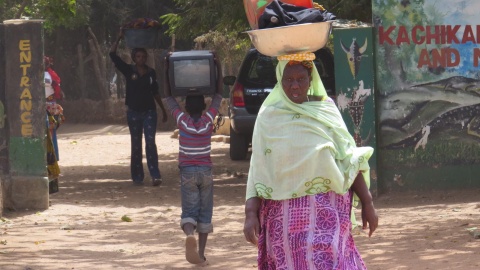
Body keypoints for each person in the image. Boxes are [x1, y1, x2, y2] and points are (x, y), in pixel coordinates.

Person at [243, 53, 379, 269]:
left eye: (301, 79)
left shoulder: (326, 110)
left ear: (311, 80)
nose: (295, 86)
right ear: (280, 80)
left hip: (327, 213)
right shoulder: (269, 116)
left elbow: (347, 158)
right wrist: (250, 213)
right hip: (284, 218)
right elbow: (258, 166)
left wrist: (368, 202)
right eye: (288, 80)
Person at [162, 52, 223, 265]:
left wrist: (167, 68)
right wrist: (218, 66)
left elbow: (168, 98)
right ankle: (202, 253)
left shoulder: (182, 121)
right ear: (204, 108)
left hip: (187, 172)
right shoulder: (208, 120)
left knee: (189, 210)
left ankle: (189, 234)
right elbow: (219, 95)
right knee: (205, 211)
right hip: (206, 172)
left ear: (186, 108)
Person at [109, 30, 168, 186]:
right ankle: (137, 176)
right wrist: (119, 37)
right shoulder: (129, 70)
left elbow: (155, 92)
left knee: (150, 142)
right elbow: (112, 55)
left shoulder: (151, 73)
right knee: (136, 145)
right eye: (138, 57)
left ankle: (155, 175)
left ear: (146, 58)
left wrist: (162, 110)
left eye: (143, 56)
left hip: (150, 112)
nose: (141, 59)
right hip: (133, 113)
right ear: (134, 58)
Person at [45, 56, 65, 194]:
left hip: (49, 110)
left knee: (50, 145)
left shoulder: (50, 75)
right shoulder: (49, 75)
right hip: (47, 109)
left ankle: (52, 183)